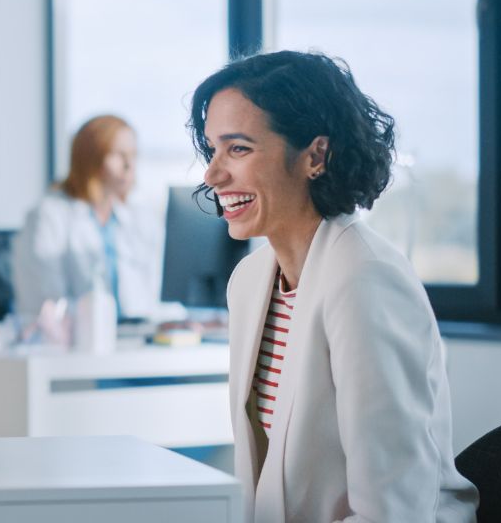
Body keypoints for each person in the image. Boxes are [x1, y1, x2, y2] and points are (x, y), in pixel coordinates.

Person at [189, 50, 478, 522]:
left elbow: (394, 509)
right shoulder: (250, 281)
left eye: (238, 148)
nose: (212, 174)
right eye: (212, 148)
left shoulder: (365, 278)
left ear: (315, 155)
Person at [11, 115, 158, 326]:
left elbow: (148, 296)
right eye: (118, 154)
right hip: (73, 342)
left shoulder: (139, 218)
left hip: (129, 339)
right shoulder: (48, 216)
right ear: (91, 158)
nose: (129, 165)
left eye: (133, 155)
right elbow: (45, 303)